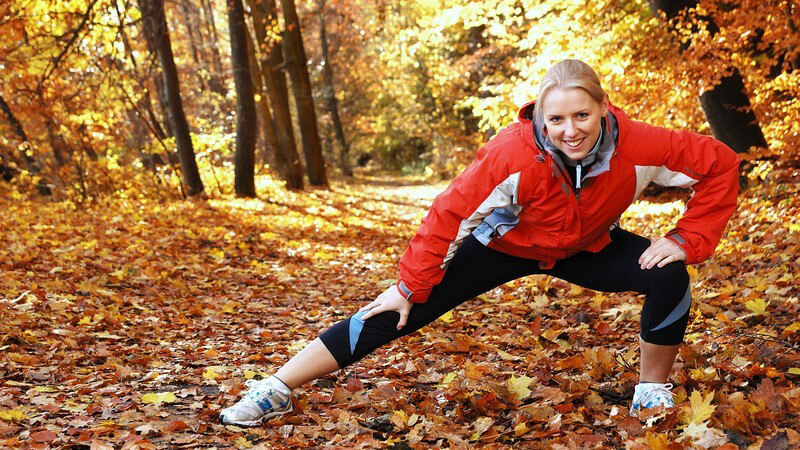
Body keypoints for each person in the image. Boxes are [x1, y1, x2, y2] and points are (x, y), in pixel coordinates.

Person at [219, 59, 740, 426]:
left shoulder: (642, 144)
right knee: (402, 306)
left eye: (581, 115)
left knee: (671, 273)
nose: (570, 130)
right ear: (539, 117)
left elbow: (721, 164)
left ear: (603, 109)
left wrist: (687, 237)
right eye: (555, 119)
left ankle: (651, 390)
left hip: (586, 247)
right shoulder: (510, 153)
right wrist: (409, 283)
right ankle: (277, 388)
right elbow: (450, 211)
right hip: (505, 245)